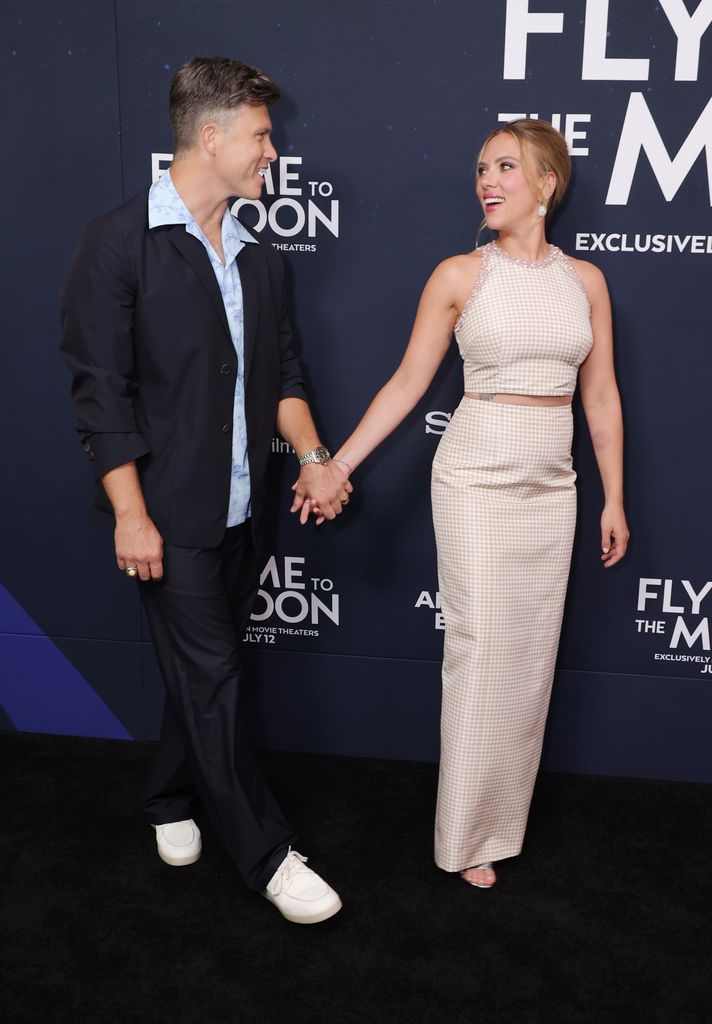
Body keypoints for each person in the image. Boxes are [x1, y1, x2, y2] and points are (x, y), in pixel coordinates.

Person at [297, 119, 629, 889]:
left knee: (529, 658)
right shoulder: (458, 275)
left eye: (507, 167)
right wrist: (334, 465)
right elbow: (407, 385)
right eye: (482, 167)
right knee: (480, 652)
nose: (488, 180)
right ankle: (464, 837)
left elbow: (602, 395)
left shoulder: (586, 282)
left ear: (547, 184)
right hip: (476, 476)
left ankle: (499, 820)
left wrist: (614, 497)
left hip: (554, 486)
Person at [60, 57, 351, 923]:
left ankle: (166, 796)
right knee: (217, 678)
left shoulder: (262, 259)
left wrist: (310, 456)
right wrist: (130, 513)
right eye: (263, 136)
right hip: (166, 517)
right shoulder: (117, 242)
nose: (275, 151)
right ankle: (267, 856)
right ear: (212, 135)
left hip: (243, 512)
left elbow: (285, 375)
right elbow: (98, 390)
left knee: (202, 676)